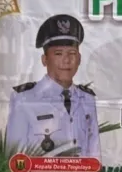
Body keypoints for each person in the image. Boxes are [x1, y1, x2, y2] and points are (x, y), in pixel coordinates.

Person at [6, 14, 101, 160]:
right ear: (45, 60)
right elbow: (15, 158)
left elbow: (94, 155)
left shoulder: (87, 98)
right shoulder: (24, 99)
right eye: (58, 54)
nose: (66, 60)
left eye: (72, 53)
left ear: (79, 59)